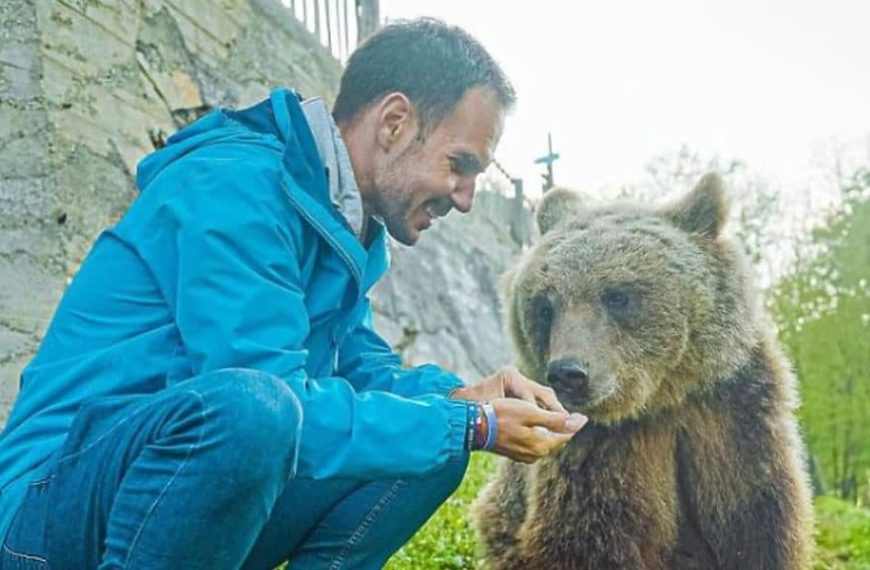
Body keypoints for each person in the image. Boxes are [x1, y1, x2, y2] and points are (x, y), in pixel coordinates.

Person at [0, 18, 586, 570]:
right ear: (394, 123)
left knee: (430, 443)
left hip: (168, 501)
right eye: (460, 165)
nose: (465, 197)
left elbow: (360, 371)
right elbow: (272, 401)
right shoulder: (234, 188)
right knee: (258, 412)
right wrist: (473, 424)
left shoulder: (336, 224)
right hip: (45, 515)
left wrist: (462, 397)